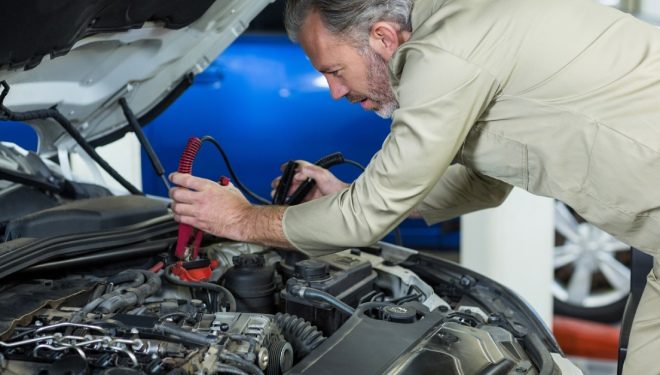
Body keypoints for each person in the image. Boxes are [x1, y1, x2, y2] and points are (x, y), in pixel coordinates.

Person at [169, 0, 660, 372]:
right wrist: (344, 195)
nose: (337, 93)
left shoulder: (445, 51)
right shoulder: (464, 26)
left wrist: (238, 219)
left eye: (334, 71)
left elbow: (371, 214)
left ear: (382, 37)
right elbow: (482, 182)